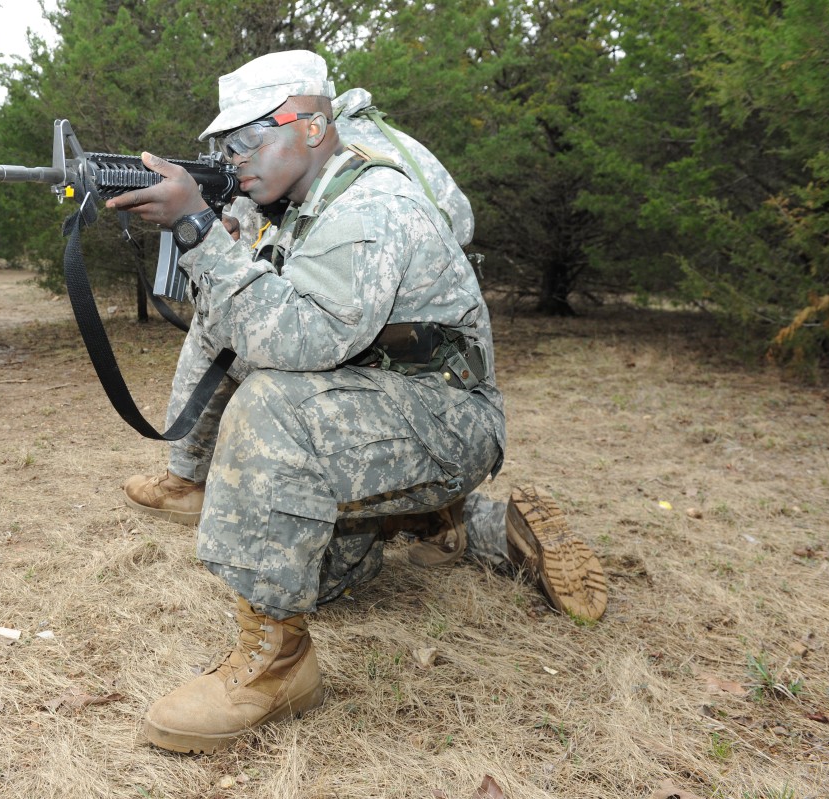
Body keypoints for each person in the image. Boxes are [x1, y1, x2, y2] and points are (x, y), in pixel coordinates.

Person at [106, 50, 607, 755]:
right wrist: (212, 236)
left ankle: (277, 666)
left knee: (272, 405)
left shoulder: (371, 207)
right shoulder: (297, 208)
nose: (234, 158)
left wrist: (198, 231)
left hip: (446, 413)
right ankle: (460, 526)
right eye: (225, 146)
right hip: (387, 406)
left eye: (249, 139)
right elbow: (231, 327)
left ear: (312, 127)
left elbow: (297, 339)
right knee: (322, 576)